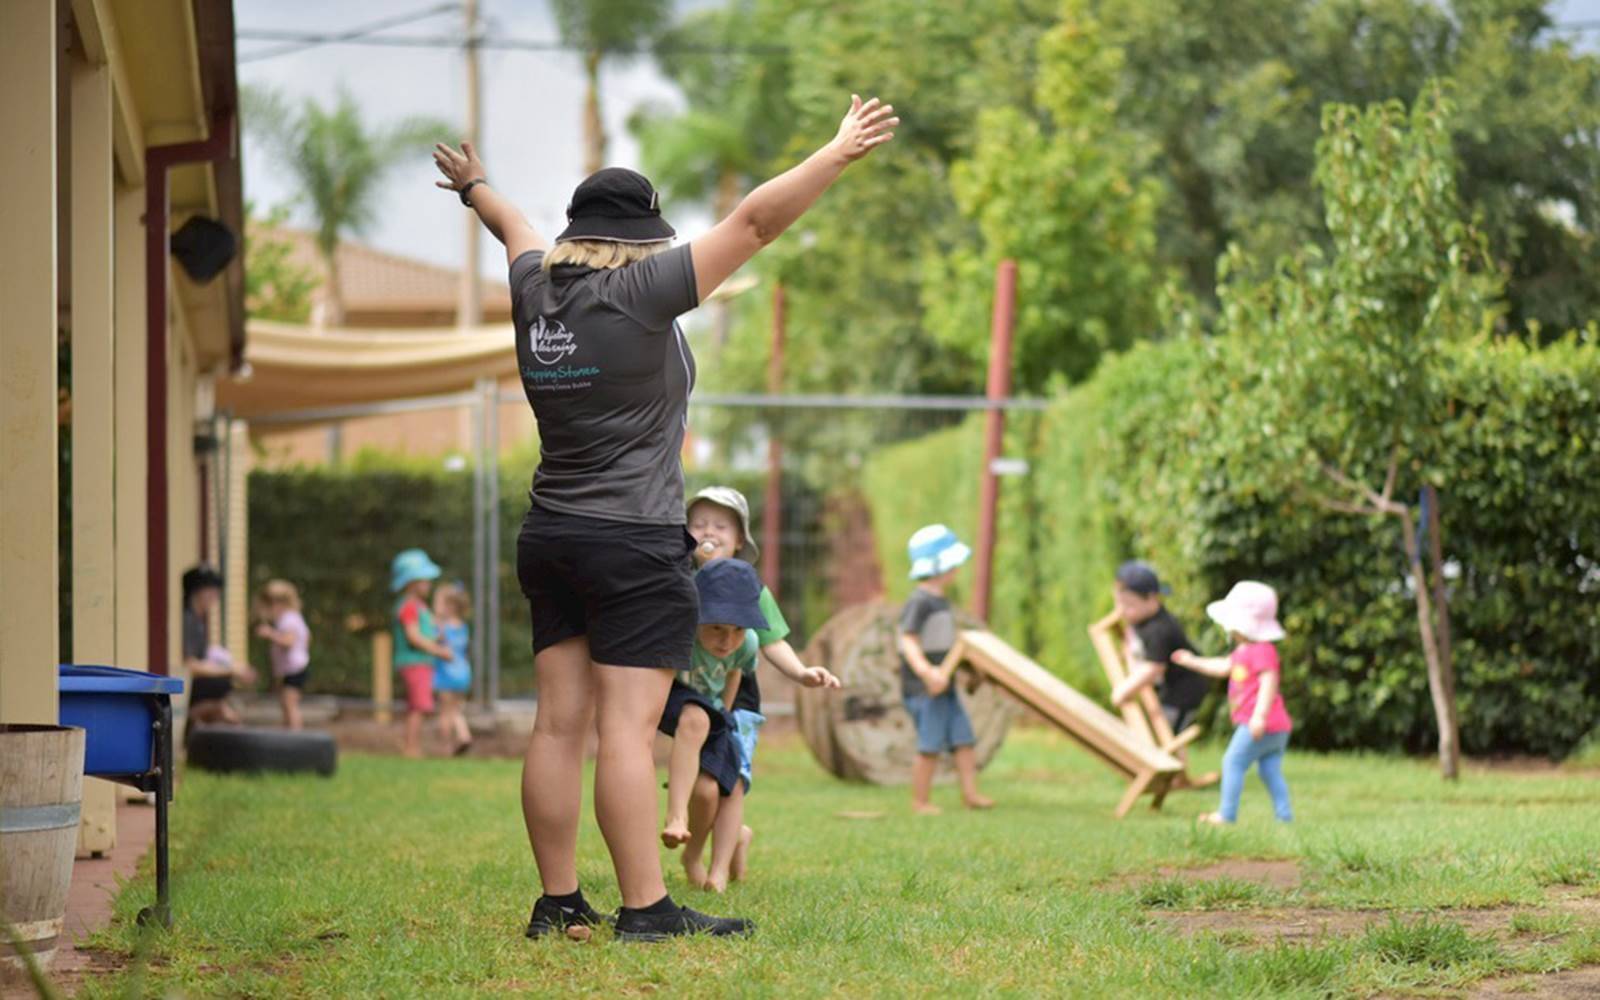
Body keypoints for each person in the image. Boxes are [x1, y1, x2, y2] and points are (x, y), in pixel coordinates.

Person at [435, 90, 897, 941]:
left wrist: (474, 187)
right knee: (623, 731)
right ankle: (647, 912)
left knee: (557, 724)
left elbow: (513, 228)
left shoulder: (538, 291)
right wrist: (836, 153)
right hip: (632, 543)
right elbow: (754, 224)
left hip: (552, 535)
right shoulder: (640, 293)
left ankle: (560, 901)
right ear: (643, 242)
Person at [682, 486, 841, 887]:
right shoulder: (681, 582)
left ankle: (718, 870)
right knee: (702, 785)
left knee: (732, 780)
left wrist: (801, 672)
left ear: (739, 542)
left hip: (740, 696)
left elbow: (773, 640)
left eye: (721, 526)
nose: (708, 532)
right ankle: (726, 841)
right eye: (698, 523)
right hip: (694, 692)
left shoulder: (751, 587)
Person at [658, 560, 765, 892]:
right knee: (696, 719)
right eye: (717, 627)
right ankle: (677, 818)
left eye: (738, 629)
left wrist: (727, 716)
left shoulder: (746, 645)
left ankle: (721, 866)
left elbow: (734, 672)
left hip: (719, 711)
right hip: (684, 701)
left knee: (722, 788)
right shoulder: (680, 634)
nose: (727, 640)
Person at [1171, 581, 1294, 825]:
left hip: (1260, 724)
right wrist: (1192, 661)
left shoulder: (1261, 650)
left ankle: (1226, 815)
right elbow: (1223, 667)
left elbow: (1270, 681)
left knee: (1232, 762)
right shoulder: (1245, 651)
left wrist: (1259, 715)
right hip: (1276, 726)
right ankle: (1284, 816)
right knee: (1269, 770)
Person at [898, 525, 994, 815]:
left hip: (946, 686)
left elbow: (943, 644)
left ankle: (970, 793)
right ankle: (920, 801)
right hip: (926, 689)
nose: (957, 568)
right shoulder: (919, 602)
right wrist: (927, 673)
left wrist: (963, 671)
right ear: (940, 565)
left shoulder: (940, 601)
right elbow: (907, 641)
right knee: (929, 746)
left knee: (964, 740)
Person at [1097, 561, 1213, 738]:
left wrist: (1124, 690)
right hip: (1166, 685)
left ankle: (1174, 765)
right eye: (1118, 603)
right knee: (1163, 732)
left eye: (1129, 605)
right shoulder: (1140, 620)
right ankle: (1176, 764)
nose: (1122, 611)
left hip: (1183, 690)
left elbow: (1154, 668)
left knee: (1166, 732)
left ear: (1152, 599)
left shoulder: (1160, 629)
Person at [391, 549, 454, 759]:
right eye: (425, 580)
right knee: (418, 706)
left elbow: (427, 633)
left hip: (422, 662)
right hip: (414, 662)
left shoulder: (420, 607)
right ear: (412, 582)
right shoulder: (409, 606)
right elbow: (414, 637)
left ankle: (412, 746)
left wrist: (438, 637)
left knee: (418, 706)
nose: (428, 584)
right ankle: (411, 749)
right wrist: (439, 651)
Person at [183, 564, 254, 738]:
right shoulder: (188, 620)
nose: (216, 597)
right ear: (200, 591)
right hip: (189, 686)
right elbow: (190, 664)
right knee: (220, 682)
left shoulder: (199, 620)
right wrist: (231, 670)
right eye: (213, 591)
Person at [254, 579, 311, 730]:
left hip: (294, 669)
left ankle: (295, 737)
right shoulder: (290, 618)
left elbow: (288, 641)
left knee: (290, 704)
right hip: (290, 669)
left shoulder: (288, 619)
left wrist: (269, 633)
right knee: (286, 705)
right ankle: (288, 736)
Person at [432, 582, 475, 756]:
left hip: (446, 672)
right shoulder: (462, 626)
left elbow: (434, 641)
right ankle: (464, 735)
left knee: (444, 713)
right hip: (463, 672)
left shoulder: (442, 625)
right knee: (456, 709)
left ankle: (445, 749)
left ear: (448, 606)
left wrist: (437, 620)